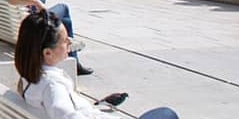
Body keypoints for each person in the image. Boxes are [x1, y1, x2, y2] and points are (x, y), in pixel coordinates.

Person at [15, 11, 179, 119]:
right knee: (166, 114)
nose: (69, 42)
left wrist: (98, 106)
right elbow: (64, 114)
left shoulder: (29, 78)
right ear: (47, 53)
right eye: (64, 41)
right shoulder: (52, 85)